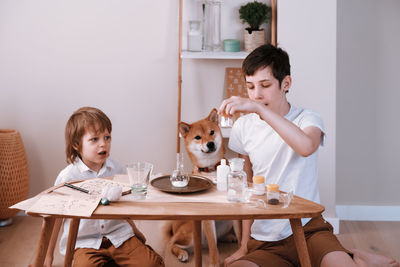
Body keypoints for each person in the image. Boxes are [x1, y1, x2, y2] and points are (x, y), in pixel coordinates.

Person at [218, 44, 399, 267]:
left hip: (309, 230)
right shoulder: (243, 127)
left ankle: (352, 258)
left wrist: (261, 111)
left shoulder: (308, 118)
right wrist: (244, 246)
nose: (256, 95)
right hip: (265, 240)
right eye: (250, 86)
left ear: (286, 84)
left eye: (265, 85)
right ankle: (355, 256)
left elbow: (305, 147)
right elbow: (246, 189)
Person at [43, 106, 164, 267]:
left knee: (151, 264)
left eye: (107, 137)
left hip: (119, 236)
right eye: (95, 139)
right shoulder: (68, 177)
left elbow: (123, 205)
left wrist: (134, 230)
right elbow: (55, 219)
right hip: (85, 243)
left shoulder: (117, 169)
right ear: (76, 145)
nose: (103, 144)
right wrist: (48, 255)